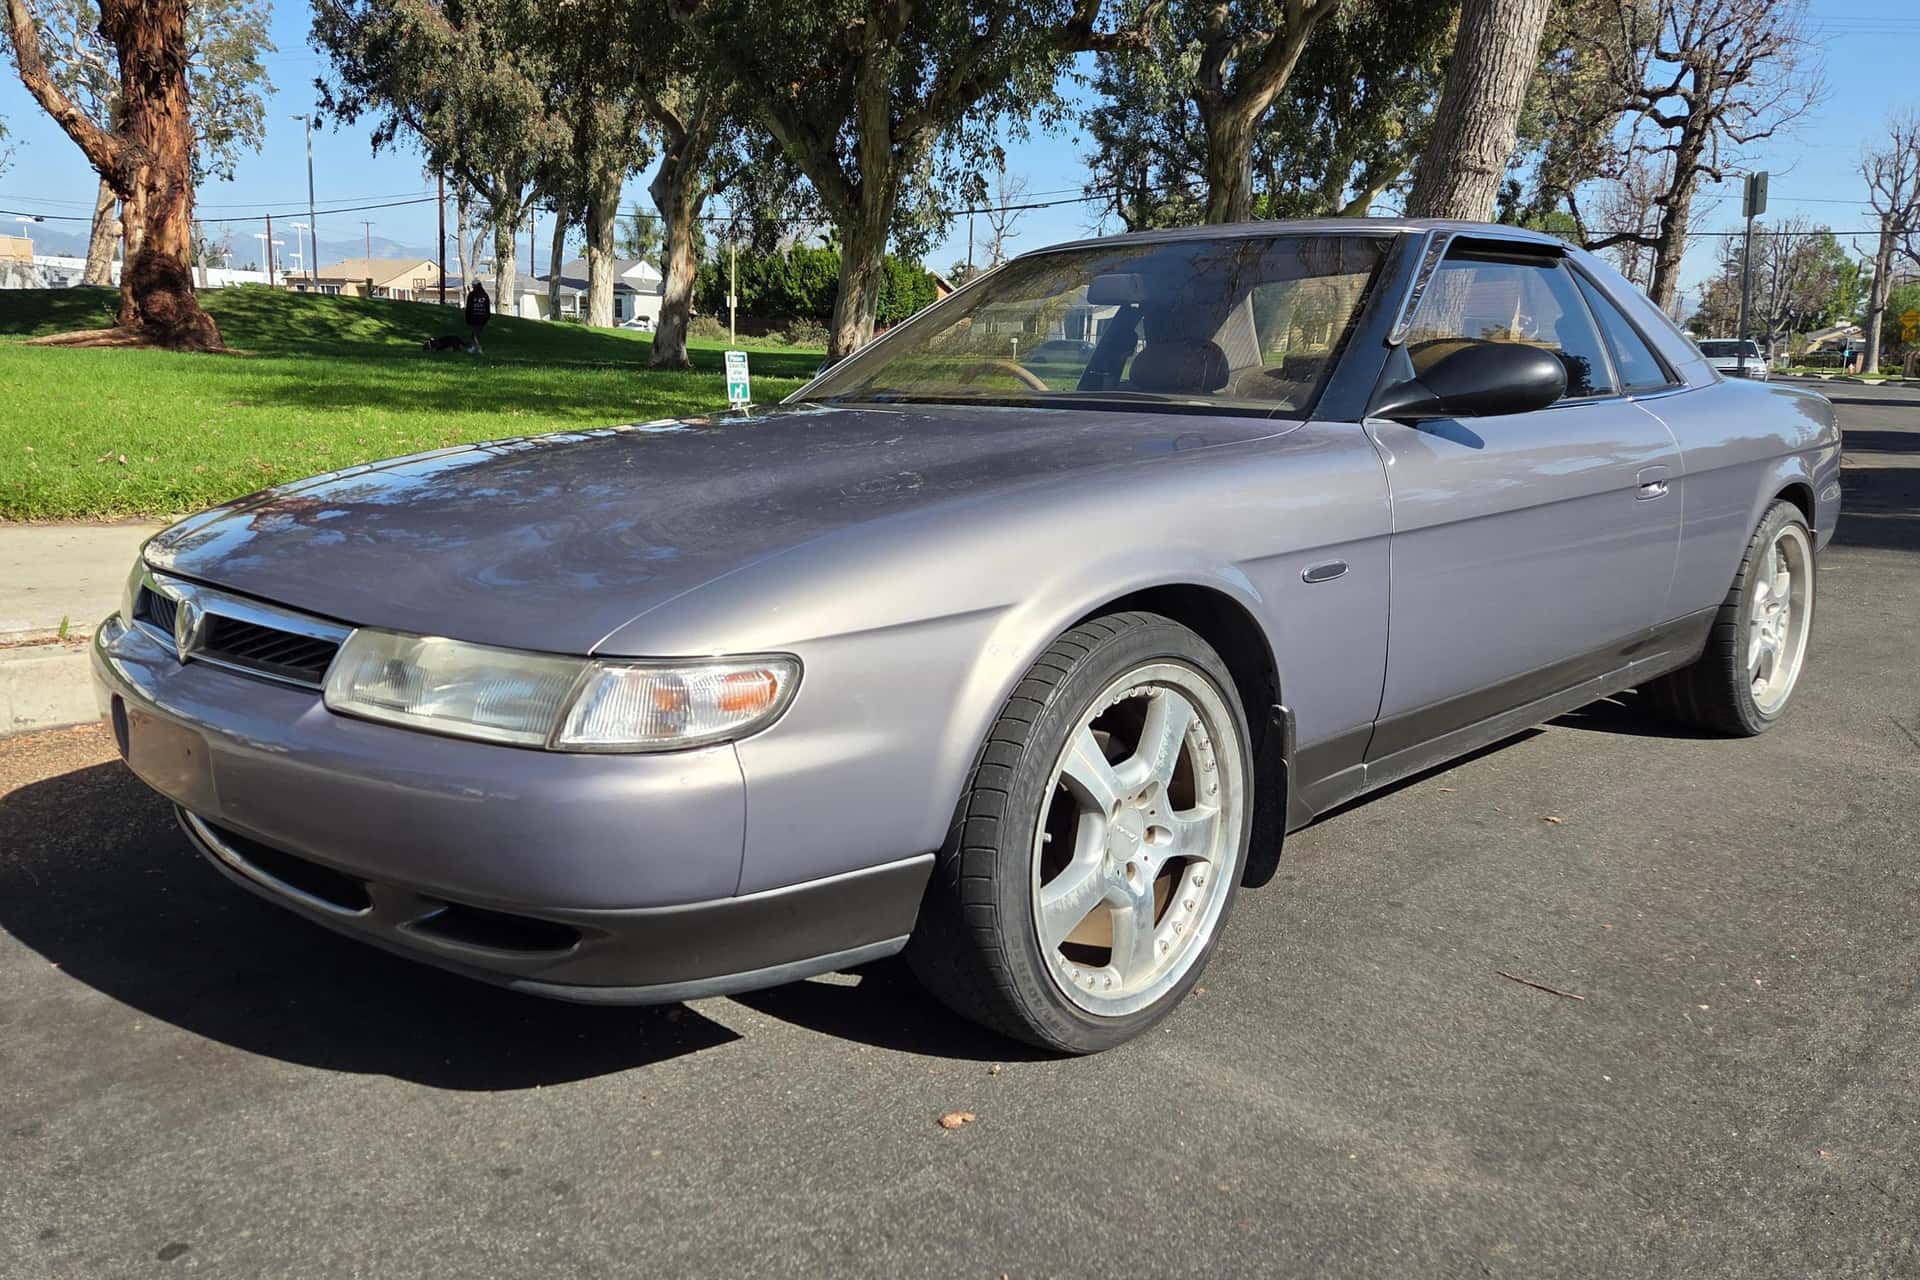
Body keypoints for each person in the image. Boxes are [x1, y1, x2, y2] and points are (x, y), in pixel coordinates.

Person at [464, 281, 491, 354]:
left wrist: (467, 318)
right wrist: (487, 316)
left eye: (473, 286)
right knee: (478, 333)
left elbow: (469, 307)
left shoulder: (472, 295)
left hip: (474, 316)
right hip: (483, 317)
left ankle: (478, 349)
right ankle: (475, 347)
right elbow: (487, 307)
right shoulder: (485, 295)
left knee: (474, 333)